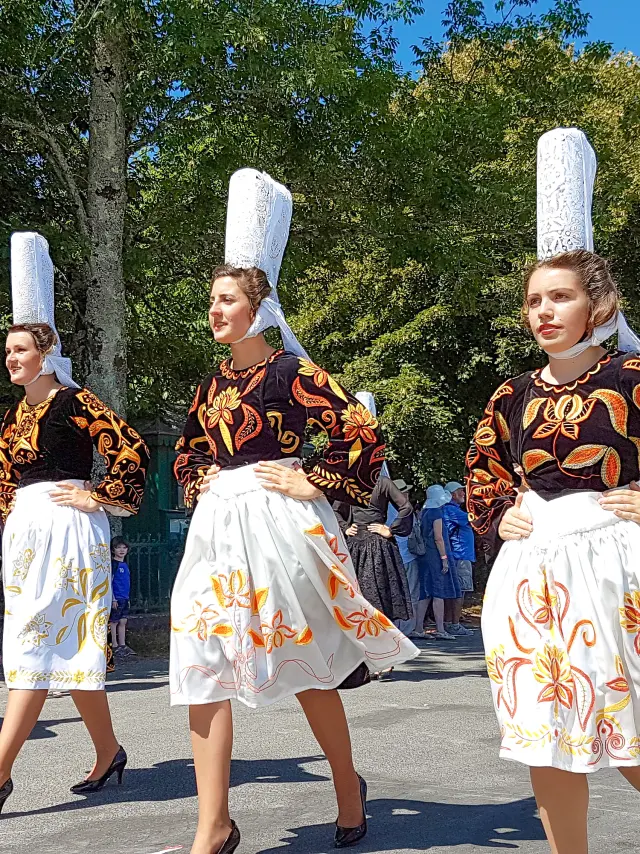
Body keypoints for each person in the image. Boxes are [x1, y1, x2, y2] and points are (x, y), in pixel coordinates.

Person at [169, 170, 418, 854]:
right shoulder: (208, 385)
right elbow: (186, 453)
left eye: (226, 300)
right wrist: (203, 485)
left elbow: (360, 431)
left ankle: (346, 787)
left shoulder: (290, 372)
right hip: (219, 529)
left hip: (281, 529)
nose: (214, 310)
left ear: (257, 308)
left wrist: (317, 480)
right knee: (203, 662)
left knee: (306, 665)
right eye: (212, 300)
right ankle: (212, 825)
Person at [466, 127, 640, 854]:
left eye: (559, 296)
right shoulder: (509, 393)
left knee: (627, 732)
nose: (542, 311)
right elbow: (482, 468)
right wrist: (498, 510)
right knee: (546, 737)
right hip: (530, 577)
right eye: (534, 299)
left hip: (616, 570)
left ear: (599, 307)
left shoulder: (634, 378)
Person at [0, 233, 149, 815]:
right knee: (61, 643)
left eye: (21, 351)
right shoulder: (15, 415)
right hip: (27, 533)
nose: (12, 359)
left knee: (36, 642)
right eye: (8, 352)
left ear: (46, 353)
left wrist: (103, 496)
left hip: (69, 528)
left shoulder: (74, 400)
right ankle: (109, 750)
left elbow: (132, 449)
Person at [419, 485, 461, 640]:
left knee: (426, 592)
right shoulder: (436, 512)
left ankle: (418, 628)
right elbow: (439, 537)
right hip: (436, 555)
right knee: (438, 591)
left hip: (425, 555)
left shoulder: (424, 512)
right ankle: (441, 629)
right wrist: (444, 558)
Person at [442, 481, 474, 637]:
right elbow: (473, 518)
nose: (463, 493)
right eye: (460, 491)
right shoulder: (451, 510)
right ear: (451, 495)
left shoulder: (451, 510)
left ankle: (450, 623)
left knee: (456, 591)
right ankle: (454, 624)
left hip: (459, 555)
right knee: (459, 591)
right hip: (459, 555)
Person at [110, 537, 136, 657]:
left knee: (123, 621)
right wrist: (113, 598)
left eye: (124, 547)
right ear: (113, 550)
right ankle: (114, 645)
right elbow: (109, 582)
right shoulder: (113, 565)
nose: (121, 550)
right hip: (117, 598)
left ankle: (122, 644)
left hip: (124, 597)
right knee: (114, 621)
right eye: (118, 547)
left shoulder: (124, 564)